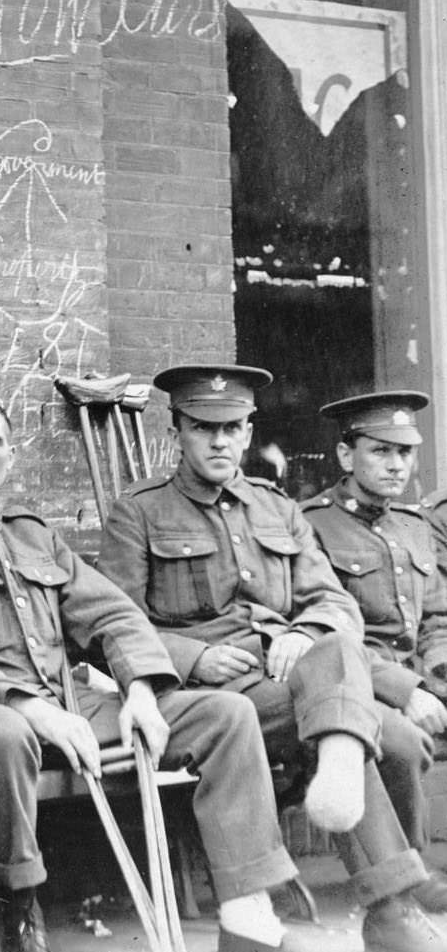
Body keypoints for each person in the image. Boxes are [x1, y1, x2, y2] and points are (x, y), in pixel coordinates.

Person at [0, 373, 300, 952]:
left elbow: (113, 615)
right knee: (4, 734)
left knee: (225, 714)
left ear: (9, 454)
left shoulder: (33, 534)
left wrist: (142, 693)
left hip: (74, 703)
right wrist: (36, 711)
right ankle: (20, 906)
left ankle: (246, 910)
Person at [98, 365, 445, 952]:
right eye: (204, 428)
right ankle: (388, 909)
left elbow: (332, 601)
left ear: (248, 431)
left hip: (285, 685)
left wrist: (304, 632)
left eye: (233, 428)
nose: (220, 442)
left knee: (348, 665)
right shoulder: (139, 512)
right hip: (212, 696)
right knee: (358, 725)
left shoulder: (275, 508)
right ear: (176, 430)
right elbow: (115, 623)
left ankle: (340, 758)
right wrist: (192, 656)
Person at [303, 391, 447, 902]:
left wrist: (439, 668)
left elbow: (434, 617)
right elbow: (327, 633)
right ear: (347, 456)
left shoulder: (414, 526)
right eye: (380, 451)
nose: (395, 465)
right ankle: (412, 873)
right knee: (403, 742)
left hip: (418, 677)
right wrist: (406, 689)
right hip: (355, 684)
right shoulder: (311, 526)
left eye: (404, 453)